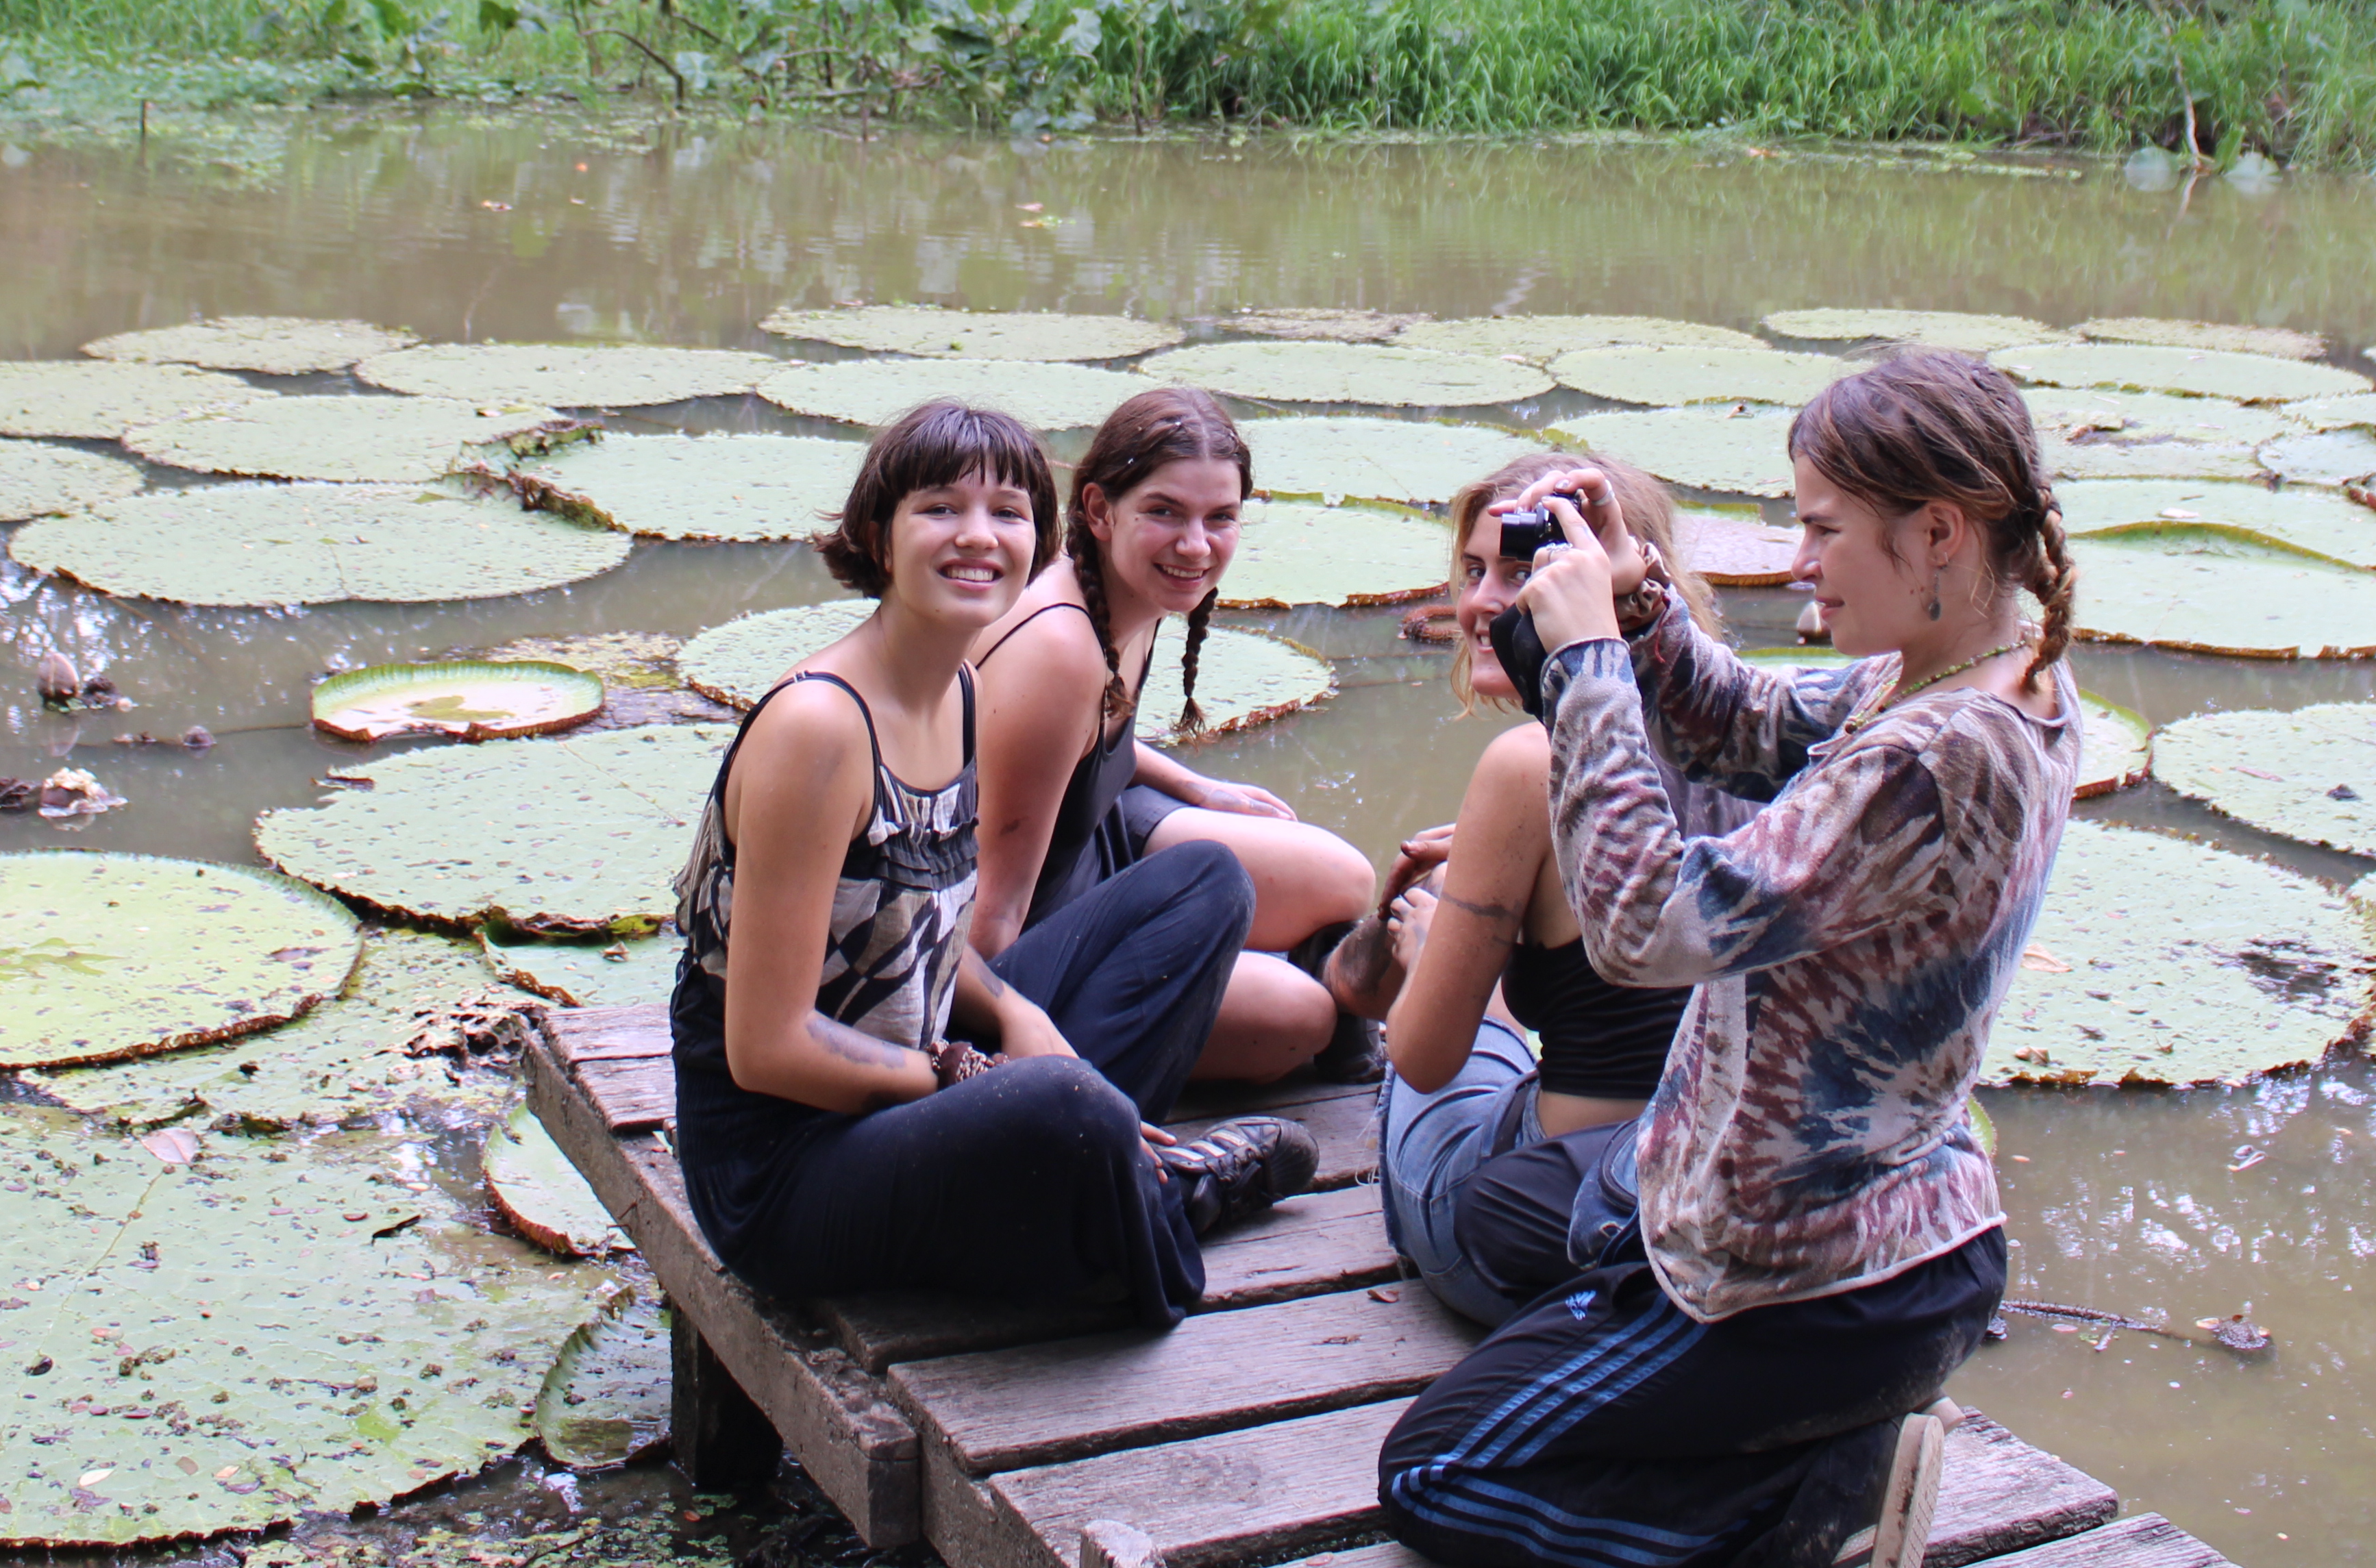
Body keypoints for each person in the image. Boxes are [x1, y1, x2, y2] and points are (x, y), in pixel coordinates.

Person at [1376, 352, 2086, 1568]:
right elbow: (1748, 726)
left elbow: (1655, 929)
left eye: (1823, 530)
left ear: (1940, 532)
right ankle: (1833, 1461)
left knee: (1434, 1473)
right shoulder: (1978, 679)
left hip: (1798, 1285)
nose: (1799, 562)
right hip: (1893, 1245)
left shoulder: (1933, 753)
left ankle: (1801, 1531)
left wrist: (1591, 660)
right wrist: (1642, 598)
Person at [669, 401, 1317, 1330]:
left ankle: (1097, 1176)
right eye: (940, 508)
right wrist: (974, 1076)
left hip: (915, 1065)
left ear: (1041, 540)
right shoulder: (819, 729)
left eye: (1009, 513)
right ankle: (1167, 1201)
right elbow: (766, 1049)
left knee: (1206, 882)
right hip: (789, 1164)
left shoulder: (960, 691)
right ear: (875, 535)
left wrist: (1015, 1012)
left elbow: (921, 939)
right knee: (1057, 1099)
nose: (978, 536)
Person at [1368, 451, 1707, 1326]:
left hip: (1551, 1230)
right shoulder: (1736, 727)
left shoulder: (1530, 763)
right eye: (1474, 570)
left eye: (1522, 569)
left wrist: (1436, 940)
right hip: (1705, 1197)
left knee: (1424, 1055)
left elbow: (1424, 1054)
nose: (1482, 601)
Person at [968, 386, 1382, 1084]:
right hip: (1038, 929)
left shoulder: (1132, 587)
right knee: (1299, 1018)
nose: (1195, 545)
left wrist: (1195, 785)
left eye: (1220, 517)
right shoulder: (1058, 648)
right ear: (1100, 510)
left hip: (1099, 840)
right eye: (1165, 512)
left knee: (1343, 877)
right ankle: (1327, 1004)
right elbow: (990, 916)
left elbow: (1086, 745)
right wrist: (997, 1043)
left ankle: (1332, 990)